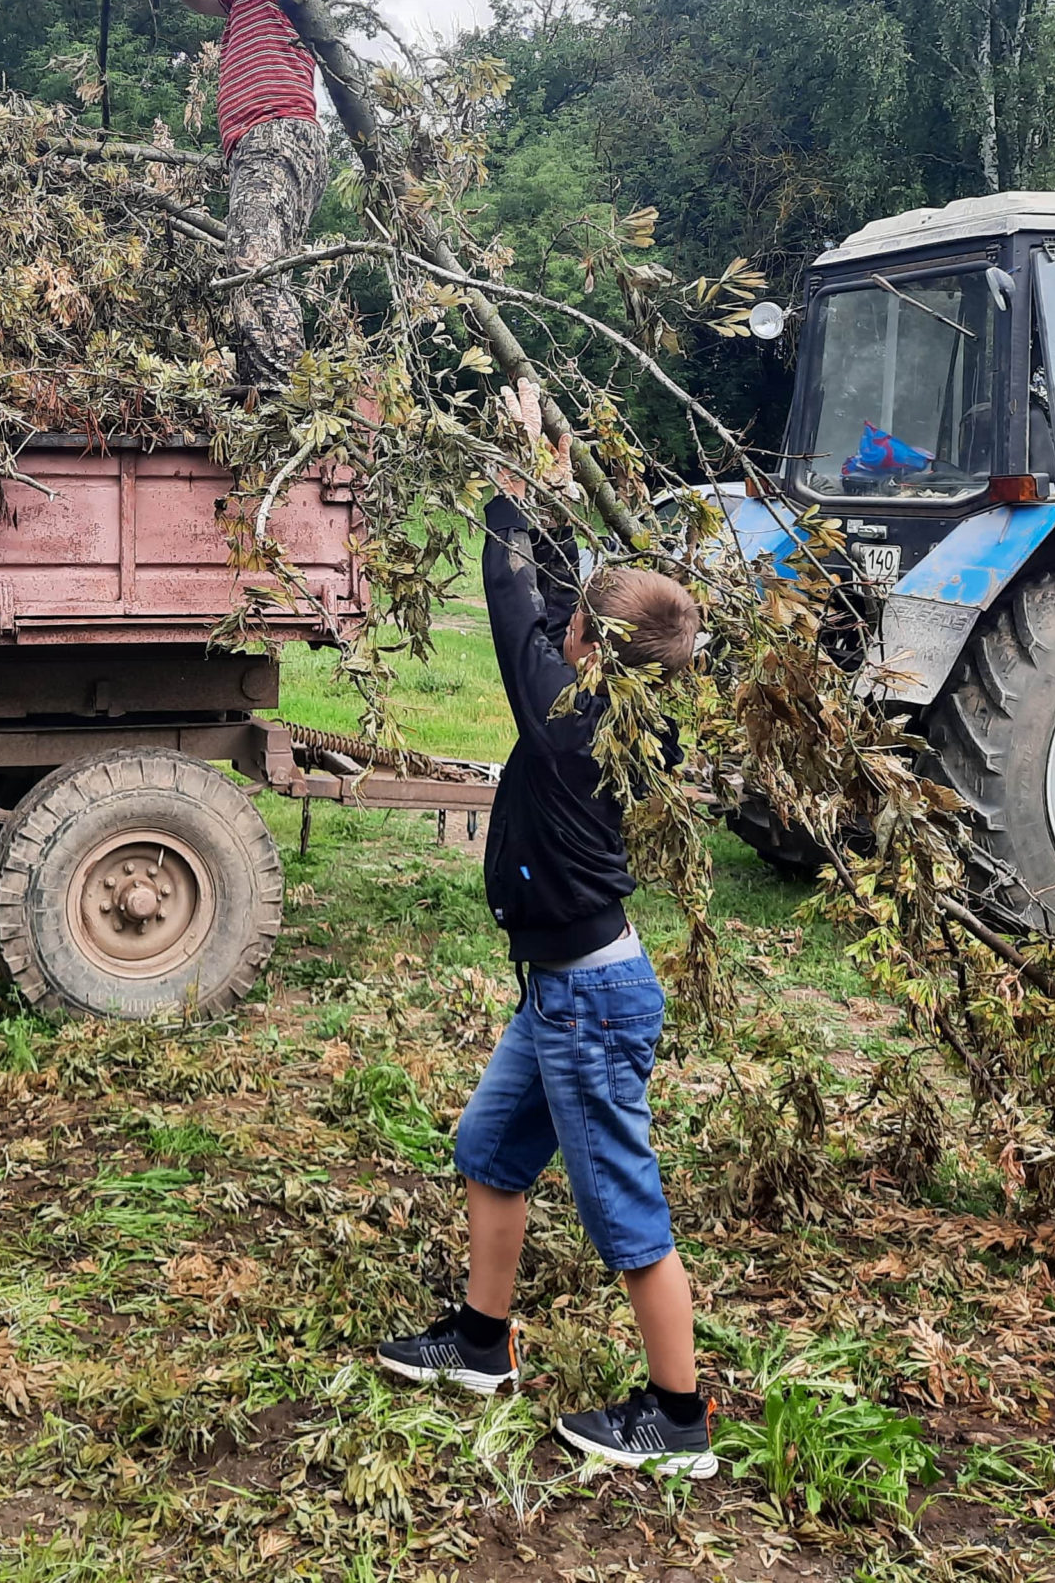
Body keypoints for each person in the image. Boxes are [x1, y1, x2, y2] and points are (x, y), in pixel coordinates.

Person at [375, 399, 715, 1478]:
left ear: (587, 651)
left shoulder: (570, 725)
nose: (559, 629)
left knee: (623, 1210)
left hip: (589, 1002)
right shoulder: (617, 702)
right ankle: (481, 1344)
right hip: (564, 991)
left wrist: (513, 495)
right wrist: (553, 489)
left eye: (575, 626)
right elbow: (556, 602)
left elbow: (512, 594)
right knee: (489, 1151)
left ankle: (677, 1420)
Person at [89, 0, 327, 389]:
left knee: (252, 265)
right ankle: (270, 388)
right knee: (256, 261)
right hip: (259, 142)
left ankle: (280, 399)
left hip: (278, 133)